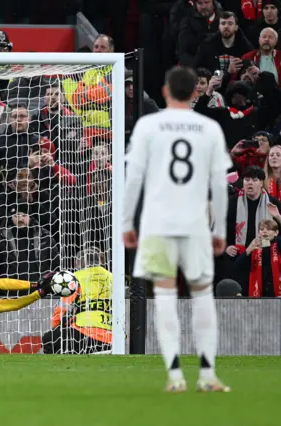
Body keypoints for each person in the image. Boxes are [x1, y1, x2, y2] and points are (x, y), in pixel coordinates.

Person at [123, 66, 232, 392]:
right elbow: (219, 184)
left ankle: (174, 376)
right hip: (195, 223)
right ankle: (208, 374)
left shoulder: (148, 125)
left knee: (166, 296)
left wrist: (127, 221)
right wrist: (220, 229)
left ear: (166, 92)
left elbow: (134, 179)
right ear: (195, 93)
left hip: (157, 224)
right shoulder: (209, 128)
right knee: (202, 296)